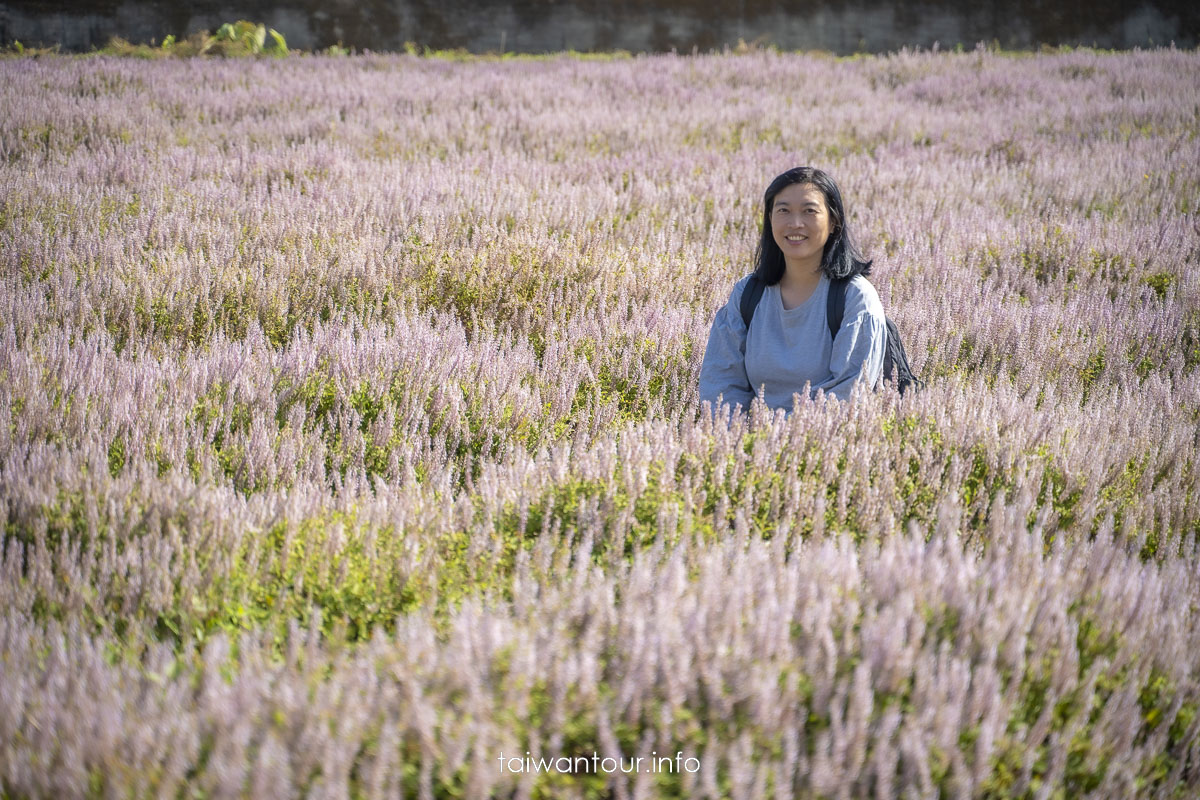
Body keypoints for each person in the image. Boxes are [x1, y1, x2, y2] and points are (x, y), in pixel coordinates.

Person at [699, 166, 887, 413]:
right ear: (769, 219)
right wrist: (739, 439)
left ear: (834, 222)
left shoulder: (855, 299)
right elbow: (720, 382)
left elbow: (847, 395)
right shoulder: (747, 294)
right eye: (783, 210)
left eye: (810, 211)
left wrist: (777, 437)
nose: (795, 223)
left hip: (823, 444)